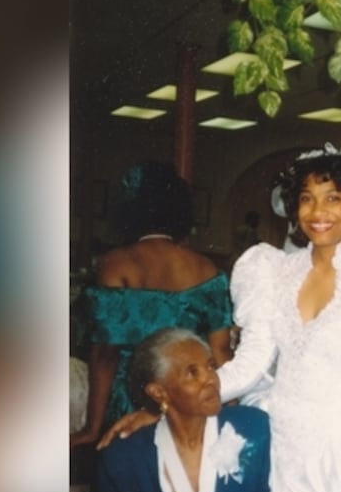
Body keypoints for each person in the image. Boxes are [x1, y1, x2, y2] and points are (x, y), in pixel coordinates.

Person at [103, 145, 341, 492]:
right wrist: (170, 406)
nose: (317, 211)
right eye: (306, 198)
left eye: (332, 197)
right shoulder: (275, 271)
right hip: (281, 452)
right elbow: (250, 363)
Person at [71, 162, 233, 446]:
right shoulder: (206, 269)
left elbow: (104, 354)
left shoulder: (117, 264)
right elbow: (221, 352)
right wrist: (228, 410)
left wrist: (93, 427)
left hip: (132, 399)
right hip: (188, 399)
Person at [89, 328, 272, 492]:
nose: (210, 379)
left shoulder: (252, 427)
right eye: (192, 373)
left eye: (210, 367)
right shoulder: (124, 456)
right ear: (159, 392)